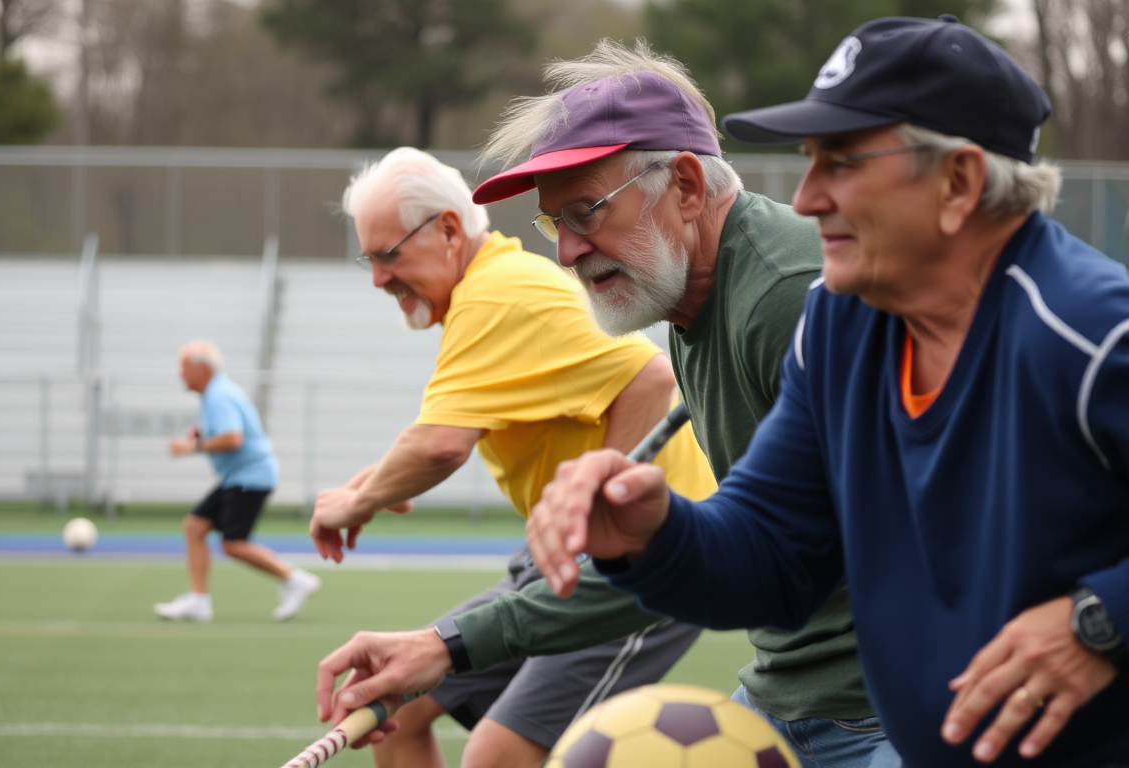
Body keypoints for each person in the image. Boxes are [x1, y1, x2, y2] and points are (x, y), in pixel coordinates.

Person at [527, 17, 1128, 768]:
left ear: (959, 182)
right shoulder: (839, 325)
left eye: (841, 162)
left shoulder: (1093, 332)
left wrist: (1098, 622)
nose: (806, 198)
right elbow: (775, 559)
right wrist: (654, 534)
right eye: (809, 161)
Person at [315, 40, 900, 768]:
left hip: (884, 716)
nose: (566, 253)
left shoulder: (786, 298)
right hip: (790, 702)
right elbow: (725, 558)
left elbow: (871, 540)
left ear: (685, 185)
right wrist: (445, 645)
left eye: (587, 211)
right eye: (556, 223)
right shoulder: (692, 301)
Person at [309, 146, 718, 768]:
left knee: (495, 755)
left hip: (643, 558)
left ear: (448, 230)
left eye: (388, 255)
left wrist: (355, 501)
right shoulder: (490, 290)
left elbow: (648, 378)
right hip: (565, 558)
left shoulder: (496, 294)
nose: (378, 278)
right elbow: (447, 429)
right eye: (369, 259)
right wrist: (384, 480)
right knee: (403, 702)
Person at [154, 340, 320, 622]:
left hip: (249, 476)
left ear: (201, 368)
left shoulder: (218, 395)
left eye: (184, 367)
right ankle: (198, 601)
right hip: (241, 476)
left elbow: (233, 438)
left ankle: (294, 579)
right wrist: (202, 436)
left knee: (233, 543)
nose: (179, 374)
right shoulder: (215, 393)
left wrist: (193, 447)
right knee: (195, 526)